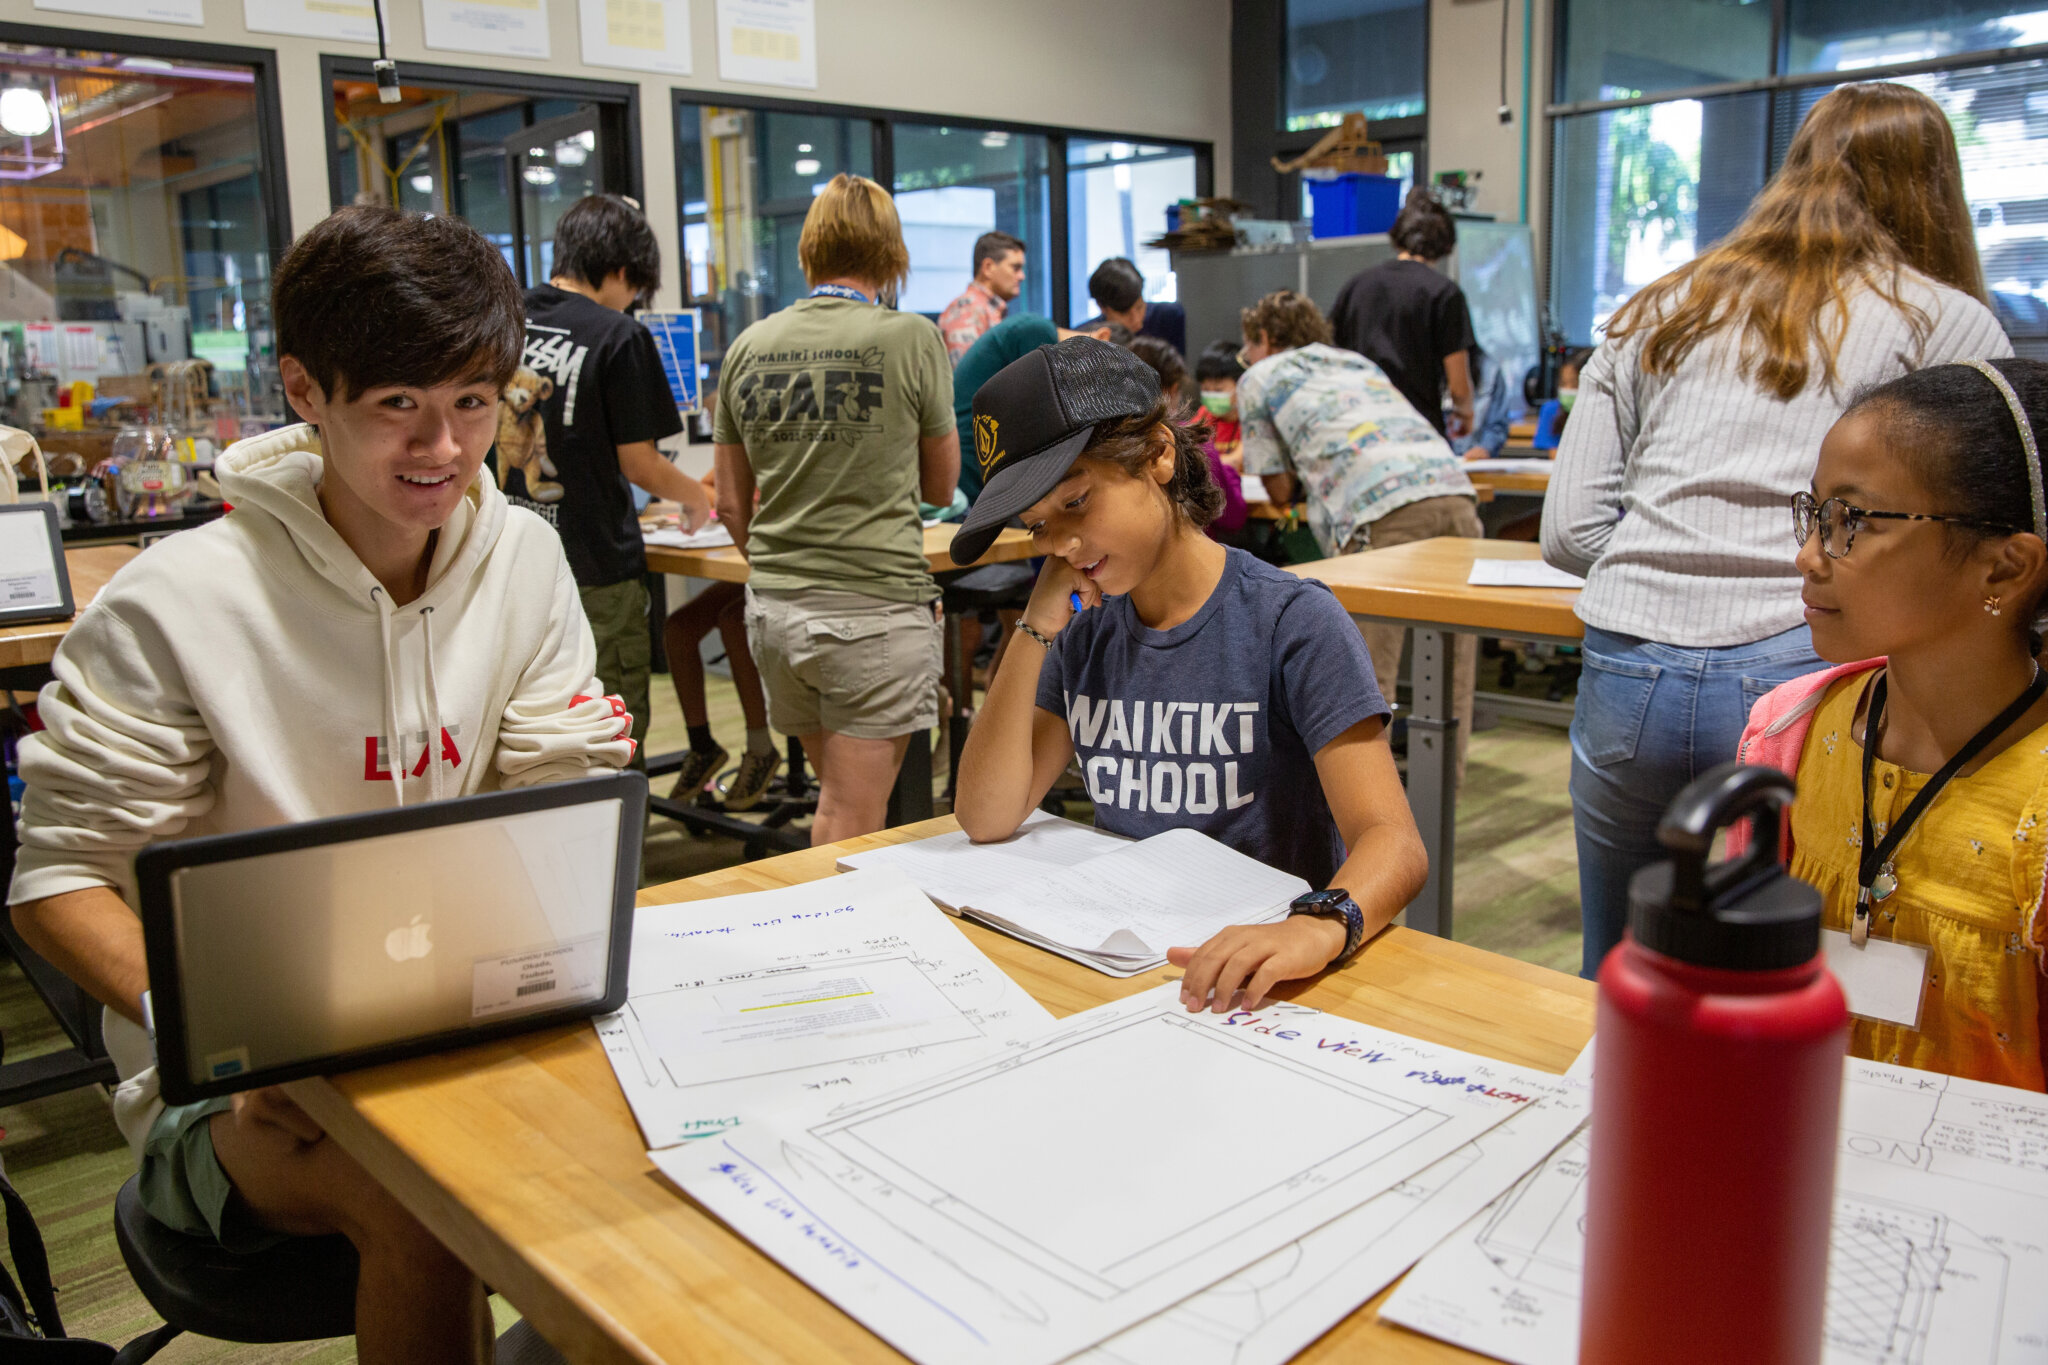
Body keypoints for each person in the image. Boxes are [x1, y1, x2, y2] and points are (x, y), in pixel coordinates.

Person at [6, 207, 636, 1365]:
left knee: (655, 1149)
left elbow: (557, 794)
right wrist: (230, 1033)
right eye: (396, 404)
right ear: (305, 390)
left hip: (465, 1005)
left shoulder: (526, 559)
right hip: (236, 1082)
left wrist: (585, 779)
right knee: (421, 1206)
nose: (441, 447)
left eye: (470, 402)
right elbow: (52, 882)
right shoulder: (180, 600)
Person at [1543, 82, 2013, 979]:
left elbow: (1568, 532)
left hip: (1626, 664)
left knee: (1620, 963)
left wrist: (1668, 569)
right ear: (1936, 190)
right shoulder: (1946, 322)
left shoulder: (1654, 310)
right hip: (1807, 663)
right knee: (1792, 966)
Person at [951, 337, 1425, 1011]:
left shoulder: (1291, 621)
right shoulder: (1082, 631)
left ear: (1159, 455)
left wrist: (1315, 925)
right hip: (1131, 971)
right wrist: (1032, 627)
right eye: (1038, 527)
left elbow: (1395, 843)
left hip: (1261, 979)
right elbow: (986, 814)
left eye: (1077, 503)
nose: (1061, 545)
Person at [1736, 360, 2048, 1089]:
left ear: (2005, 568)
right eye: (1814, 514)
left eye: (1854, 522)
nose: (1808, 555)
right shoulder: (1789, 731)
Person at [714, 174, 959, 843]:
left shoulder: (749, 345)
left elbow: (731, 502)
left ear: (809, 249)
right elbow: (943, 486)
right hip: (871, 614)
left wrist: (783, 559)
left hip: (775, 613)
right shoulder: (911, 338)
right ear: (891, 255)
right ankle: (833, 943)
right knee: (850, 821)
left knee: (840, 802)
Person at [1236, 289, 1483, 786]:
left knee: (1367, 678)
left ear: (1264, 338)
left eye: (1248, 347)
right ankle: (1442, 796)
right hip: (1455, 492)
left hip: (1379, 510)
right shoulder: (1356, 362)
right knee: (1455, 669)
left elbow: (1279, 488)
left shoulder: (1259, 377)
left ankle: (1372, 824)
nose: (1248, 358)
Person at [509, 193, 712, 767]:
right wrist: (696, 495)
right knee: (610, 733)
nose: (634, 301)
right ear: (622, 271)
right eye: (636, 288)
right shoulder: (618, 335)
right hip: (595, 568)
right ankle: (619, 854)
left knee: (532, 730)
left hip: (510, 565)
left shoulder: (505, 318)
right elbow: (640, 464)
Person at [663, 469, 780, 808]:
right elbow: (710, 487)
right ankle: (702, 746)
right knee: (679, 628)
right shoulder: (743, 436)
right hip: (754, 558)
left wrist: (735, 498)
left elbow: (722, 498)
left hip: (788, 561)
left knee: (734, 620)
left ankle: (760, 747)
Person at [1328, 189, 1476, 439]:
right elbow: (1458, 386)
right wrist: (1465, 414)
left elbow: (1332, 357)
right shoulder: (1444, 294)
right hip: (1417, 429)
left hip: (1362, 428)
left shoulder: (1356, 286)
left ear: (1397, 238)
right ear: (1446, 245)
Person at [952, 315, 1125, 503]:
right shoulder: (1036, 334)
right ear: (1104, 338)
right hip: (974, 463)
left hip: (980, 461)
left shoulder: (1036, 332)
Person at [1128, 333, 1245, 536]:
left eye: (1218, 388)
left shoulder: (1106, 443)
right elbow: (1232, 517)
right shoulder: (1191, 440)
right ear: (1173, 389)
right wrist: (1230, 474)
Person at [938, 230, 1026, 365]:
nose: (1021, 276)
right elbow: (966, 381)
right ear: (988, 267)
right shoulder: (967, 310)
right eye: (1015, 268)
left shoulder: (985, 309)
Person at [1087, 256, 1187, 357]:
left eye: (1139, 307)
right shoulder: (1086, 337)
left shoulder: (1167, 317)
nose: (1136, 319)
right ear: (1101, 307)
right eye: (1124, 313)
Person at [1195, 340, 1244, 469]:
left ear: (1241, 385)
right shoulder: (1204, 415)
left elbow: (1237, 461)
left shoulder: (1252, 419)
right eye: (1205, 389)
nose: (1211, 396)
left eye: (1218, 390)